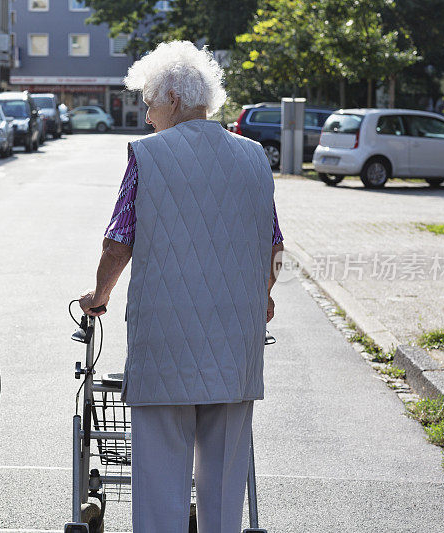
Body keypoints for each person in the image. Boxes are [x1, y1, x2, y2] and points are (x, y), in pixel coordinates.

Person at [78, 41, 284, 533]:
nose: (147, 117)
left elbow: (118, 241)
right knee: (224, 483)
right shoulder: (254, 156)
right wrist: (265, 294)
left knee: (160, 480)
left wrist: (99, 295)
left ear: (171, 96)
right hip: (236, 344)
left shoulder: (149, 156)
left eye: (149, 103)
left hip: (164, 343)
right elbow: (273, 245)